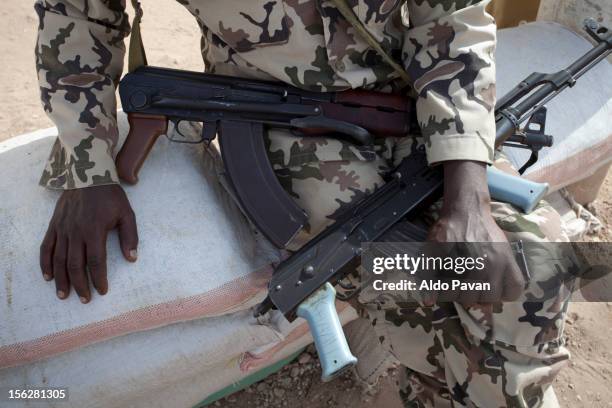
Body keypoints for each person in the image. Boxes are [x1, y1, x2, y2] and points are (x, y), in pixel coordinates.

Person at [35, 0, 570, 406]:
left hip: (415, 103)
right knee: (433, 303)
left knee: (539, 272)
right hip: (279, 118)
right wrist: (88, 171)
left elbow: (452, 17)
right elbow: (76, 15)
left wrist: (467, 191)